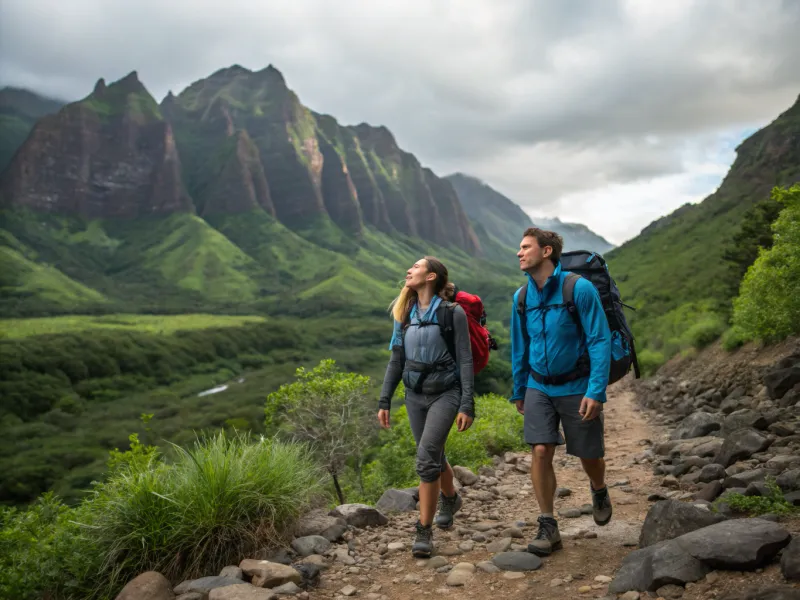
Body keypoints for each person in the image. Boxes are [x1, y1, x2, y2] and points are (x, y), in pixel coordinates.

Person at [509, 228, 613, 557]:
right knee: (540, 450)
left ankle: (598, 488)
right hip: (538, 385)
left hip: (577, 385)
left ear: (547, 251)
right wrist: (519, 389)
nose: (519, 253)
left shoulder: (577, 289)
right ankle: (548, 525)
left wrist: (595, 391)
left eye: (525, 247)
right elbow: (519, 346)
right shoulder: (521, 297)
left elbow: (599, 339)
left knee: (589, 454)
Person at [377, 256, 475, 558]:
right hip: (414, 396)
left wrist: (467, 403)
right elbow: (397, 360)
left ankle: (424, 530)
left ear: (431, 276)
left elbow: (465, 358)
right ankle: (450, 498)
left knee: (425, 458)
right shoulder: (403, 313)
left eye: (416, 267)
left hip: (445, 394)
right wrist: (385, 400)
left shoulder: (452, 313)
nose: (409, 270)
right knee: (433, 454)